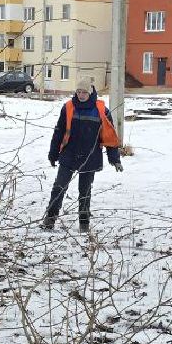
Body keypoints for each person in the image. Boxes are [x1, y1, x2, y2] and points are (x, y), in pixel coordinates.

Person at [43, 81, 122, 232]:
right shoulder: (68, 107)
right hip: (68, 155)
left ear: (90, 92)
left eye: (84, 92)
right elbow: (59, 132)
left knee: (84, 192)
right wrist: (53, 153)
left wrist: (115, 159)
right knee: (58, 188)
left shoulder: (101, 111)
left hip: (89, 157)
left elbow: (109, 137)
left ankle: (84, 224)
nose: (80, 95)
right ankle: (50, 219)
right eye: (78, 92)